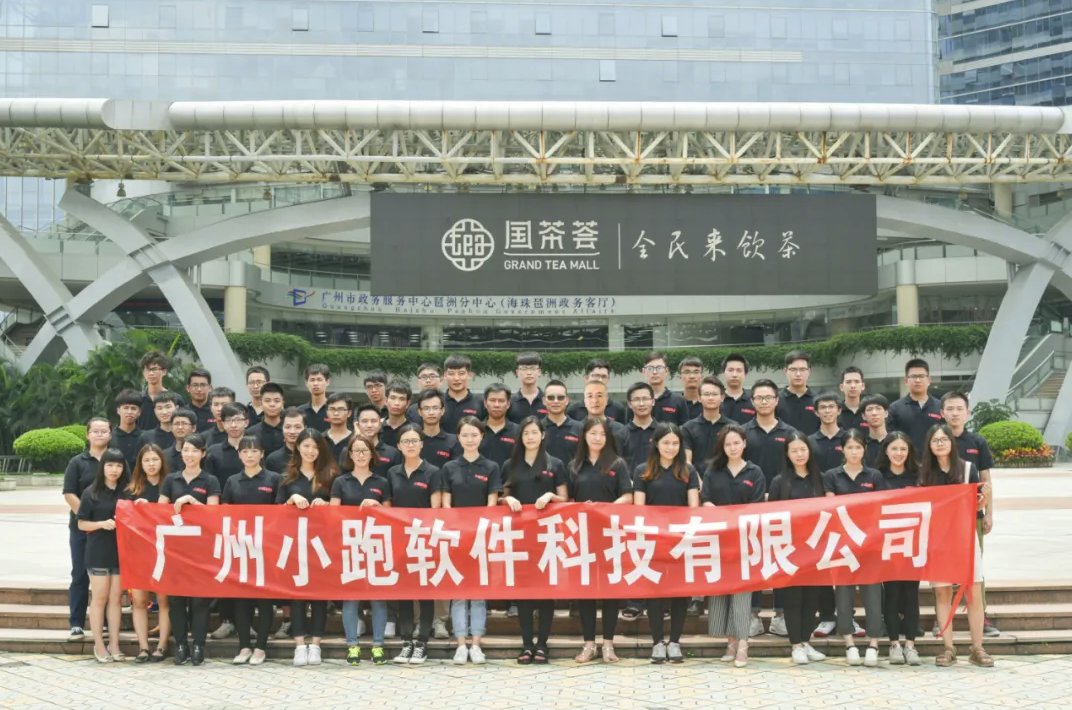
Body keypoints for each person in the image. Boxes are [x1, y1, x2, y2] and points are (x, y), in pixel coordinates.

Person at [920, 423, 994, 668]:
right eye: (935, 440)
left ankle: (977, 648)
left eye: (944, 439)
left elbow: (973, 506)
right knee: (943, 593)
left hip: (965, 537)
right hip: (937, 540)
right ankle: (948, 648)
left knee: (974, 592)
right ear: (929, 446)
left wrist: (984, 502)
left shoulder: (968, 469)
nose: (940, 443)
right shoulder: (923, 474)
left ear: (952, 443)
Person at [499, 417, 568, 664]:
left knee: (546, 592)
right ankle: (527, 644)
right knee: (524, 592)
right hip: (519, 536)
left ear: (543, 435)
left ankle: (542, 645)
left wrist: (550, 495)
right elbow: (500, 497)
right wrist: (507, 499)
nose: (530, 437)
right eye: (525, 433)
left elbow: (565, 498)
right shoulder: (510, 464)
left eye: (534, 432)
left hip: (547, 535)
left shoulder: (555, 463)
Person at [633, 423, 699, 663]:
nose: (670, 447)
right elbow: (639, 508)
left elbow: (694, 507)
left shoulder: (689, 470)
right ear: (656, 444)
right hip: (654, 540)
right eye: (666, 443)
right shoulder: (643, 470)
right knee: (656, 594)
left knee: (681, 593)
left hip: (681, 541)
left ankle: (675, 642)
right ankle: (657, 642)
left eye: (675, 443)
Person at [702, 423, 765, 667]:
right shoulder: (713, 471)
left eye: (737, 443)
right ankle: (730, 642)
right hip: (718, 539)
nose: (733, 447)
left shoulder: (754, 472)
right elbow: (705, 500)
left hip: (745, 540)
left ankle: (743, 644)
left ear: (744, 444)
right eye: (728, 444)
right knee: (721, 591)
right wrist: (718, 514)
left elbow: (757, 506)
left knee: (741, 593)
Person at [569, 417, 632, 663]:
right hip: (583, 536)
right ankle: (588, 644)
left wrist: (605, 509)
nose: (597, 438)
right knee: (585, 591)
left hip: (610, 535)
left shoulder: (617, 463)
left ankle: (608, 644)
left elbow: (627, 496)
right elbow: (568, 501)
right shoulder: (575, 465)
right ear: (584, 436)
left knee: (610, 591)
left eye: (602, 434)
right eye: (593, 433)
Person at [822, 429, 886, 667]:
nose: (854, 451)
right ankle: (849, 643)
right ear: (842, 449)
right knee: (843, 594)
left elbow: (879, 508)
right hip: (842, 545)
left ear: (865, 450)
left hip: (870, 543)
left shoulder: (875, 475)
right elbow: (832, 508)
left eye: (858, 447)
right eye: (850, 447)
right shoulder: (832, 475)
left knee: (873, 595)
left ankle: (873, 644)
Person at [441, 416, 501, 665]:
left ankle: (476, 644)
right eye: (465, 435)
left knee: (477, 593)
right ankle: (460, 644)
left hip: (480, 537)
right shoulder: (449, 467)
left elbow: (492, 503)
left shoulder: (491, 467)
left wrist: (478, 530)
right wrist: (457, 528)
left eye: (474, 435)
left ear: (481, 437)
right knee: (458, 593)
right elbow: (445, 502)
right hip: (456, 537)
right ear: (458, 437)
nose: (469, 439)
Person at [941, 391, 1000, 637]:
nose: (954, 413)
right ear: (942, 412)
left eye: (959, 409)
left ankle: (980, 615)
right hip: (943, 520)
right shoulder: (937, 440)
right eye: (950, 409)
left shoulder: (977, 441)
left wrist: (988, 513)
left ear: (968, 412)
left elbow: (986, 480)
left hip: (972, 516)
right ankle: (944, 617)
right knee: (944, 567)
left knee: (975, 567)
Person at [276, 428, 337, 666]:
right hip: (295, 545)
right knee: (297, 596)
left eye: (315, 447)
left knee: (320, 596)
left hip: (322, 546)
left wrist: (328, 504)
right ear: (298, 447)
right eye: (306, 446)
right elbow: (275, 512)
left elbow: (340, 509)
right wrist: (291, 500)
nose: (310, 451)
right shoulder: (286, 477)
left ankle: (316, 644)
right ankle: (300, 645)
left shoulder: (330, 475)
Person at [159, 433, 221, 666]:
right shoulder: (171, 480)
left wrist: (195, 503)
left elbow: (214, 514)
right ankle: (181, 644)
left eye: (195, 450)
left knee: (199, 601)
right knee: (175, 600)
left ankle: (198, 645)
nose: (190, 454)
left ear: (203, 454)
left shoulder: (210, 481)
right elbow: (159, 512)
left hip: (201, 550)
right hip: (175, 550)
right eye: (186, 449)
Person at [768, 431, 828, 665]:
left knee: (812, 599)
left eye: (803, 449)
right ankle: (795, 645)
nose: (799, 454)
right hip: (790, 549)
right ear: (787, 454)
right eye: (794, 450)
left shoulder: (821, 479)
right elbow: (772, 516)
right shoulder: (779, 482)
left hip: (816, 548)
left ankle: (805, 641)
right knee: (793, 599)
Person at [332, 434, 392, 666]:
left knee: (378, 599)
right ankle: (352, 646)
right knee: (351, 599)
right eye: (356, 451)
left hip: (376, 545)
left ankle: (378, 646)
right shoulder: (341, 482)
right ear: (349, 455)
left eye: (364, 450)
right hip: (350, 545)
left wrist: (376, 506)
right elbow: (333, 514)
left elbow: (391, 514)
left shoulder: (381, 482)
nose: (360, 455)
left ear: (371, 454)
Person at [221, 436, 280, 666]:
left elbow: (280, 512)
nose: (250, 455)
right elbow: (224, 512)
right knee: (241, 600)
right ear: (239, 454)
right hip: (240, 548)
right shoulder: (232, 481)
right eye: (245, 451)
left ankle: (261, 647)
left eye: (255, 451)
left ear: (262, 454)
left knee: (264, 600)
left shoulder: (273, 479)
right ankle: (244, 645)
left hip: (266, 548)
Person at [742, 379, 795, 637]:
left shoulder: (790, 433)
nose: (764, 402)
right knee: (753, 559)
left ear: (776, 400)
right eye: (759, 398)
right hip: (750, 504)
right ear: (752, 402)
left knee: (780, 558)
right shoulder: (742, 432)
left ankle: (780, 615)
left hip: (781, 505)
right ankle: (752, 616)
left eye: (768, 397)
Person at [388, 424, 443, 664]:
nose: (410, 445)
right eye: (405, 441)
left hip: (424, 540)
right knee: (404, 593)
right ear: (399, 446)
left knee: (424, 593)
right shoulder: (392, 472)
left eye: (414, 441)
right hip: (400, 540)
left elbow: (436, 509)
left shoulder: (433, 472)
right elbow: (389, 507)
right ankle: (406, 641)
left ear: (421, 444)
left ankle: (422, 643)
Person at [77, 448, 131, 663]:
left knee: (116, 599)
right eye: (110, 465)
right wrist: (101, 524)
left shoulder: (127, 492)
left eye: (118, 465)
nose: (114, 470)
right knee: (99, 598)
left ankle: (114, 643)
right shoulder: (91, 492)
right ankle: (98, 644)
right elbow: (81, 524)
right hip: (98, 551)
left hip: (121, 552)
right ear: (102, 467)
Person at [62, 416, 112, 643]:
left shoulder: (116, 459)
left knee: (107, 576)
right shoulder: (77, 462)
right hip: (81, 529)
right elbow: (69, 493)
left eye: (104, 431)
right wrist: (86, 517)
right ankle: (76, 623)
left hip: (109, 529)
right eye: (95, 431)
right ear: (87, 434)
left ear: (110, 434)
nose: (100, 434)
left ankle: (106, 621)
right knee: (80, 574)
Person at [875, 432, 922, 666]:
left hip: (914, 543)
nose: (899, 453)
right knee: (891, 594)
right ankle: (894, 644)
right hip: (887, 544)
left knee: (912, 594)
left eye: (903, 449)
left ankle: (910, 645)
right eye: (894, 448)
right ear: (886, 450)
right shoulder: (877, 477)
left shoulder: (919, 475)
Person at [127, 444, 170, 663]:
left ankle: (162, 645)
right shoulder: (131, 489)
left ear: (162, 461)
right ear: (140, 464)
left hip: (164, 552)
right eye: (146, 460)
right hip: (138, 552)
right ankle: (143, 647)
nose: (151, 464)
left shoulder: (170, 485)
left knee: (164, 601)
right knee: (139, 601)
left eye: (155, 459)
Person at [887, 358, 944, 454]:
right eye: (913, 376)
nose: (917, 380)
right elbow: (890, 439)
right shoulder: (895, 408)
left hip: (935, 460)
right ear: (906, 381)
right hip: (906, 460)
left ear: (929, 380)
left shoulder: (941, 407)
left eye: (921, 376)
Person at [682, 375, 732, 468]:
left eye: (714, 394)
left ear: (722, 397)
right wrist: (696, 477)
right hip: (696, 477)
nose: (710, 398)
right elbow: (687, 461)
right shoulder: (688, 428)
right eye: (706, 394)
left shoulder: (732, 427)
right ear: (699, 398)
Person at [136, 350, 185, 430]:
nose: (151, 373)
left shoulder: (176, 398)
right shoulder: (137, 399)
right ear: (143, 373)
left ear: (164, 371)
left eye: (154, 369)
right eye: (148, 369)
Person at [416, 389, 462, 469]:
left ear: (442, 411)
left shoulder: (454, 441)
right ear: (420, 412)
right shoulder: (414, 441)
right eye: (426, 408)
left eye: (435, 408)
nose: (431, 413)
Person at [776, 350, 819, 436]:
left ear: (809, 372)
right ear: (785, 371)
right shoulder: (776, 400)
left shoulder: (818, 400)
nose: (798, 374)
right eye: (793, 369)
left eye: (802, 369)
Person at [641, 352, 689, 425]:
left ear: (666, 371)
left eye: (659, 368)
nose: (655, 372)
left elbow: (684, 428)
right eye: (650, 368)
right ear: (644, 371)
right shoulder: (637, 400)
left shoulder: (678, 400)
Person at [541, 379, 581, 465]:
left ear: (567, 400)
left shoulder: (580, 428)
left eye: (560, 397)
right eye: (551, 397)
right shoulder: (537, 428)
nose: (556, 401)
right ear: (544, 401)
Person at [581, 379, 629, 452]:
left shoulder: (620, 430)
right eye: (590, 396)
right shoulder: (577, 429)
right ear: (584, 401)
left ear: (607, 399)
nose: (595, 400)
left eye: (599, 396)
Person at [442, 354, 486, 433]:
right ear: (445, 375)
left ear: (469, 375)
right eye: (451, 374)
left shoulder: (481, 402)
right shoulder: (438, 402)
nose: (456, 378)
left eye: (461, 373)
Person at [479, 383, 519, 467]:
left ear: (508, 404)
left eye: (501, 401)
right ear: (485, 403)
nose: (496, 405)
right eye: (492, 400)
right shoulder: (476, 430)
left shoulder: (518, 431)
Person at [807, 392, 845, 472]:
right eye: (823, 407)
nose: (827, 411)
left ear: (839, 411)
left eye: (831, 407)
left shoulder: (848, 439)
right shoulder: (809, 441)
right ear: (816, 412)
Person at [623, 382, 657, 471]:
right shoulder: (621, 434)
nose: (641, 404)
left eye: (645, 399)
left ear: (653, 401)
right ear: (629, 404)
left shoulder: (663, 432)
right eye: (636, 399)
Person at [245, 382, 285, 455]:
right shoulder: (251, 433)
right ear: (261, 403)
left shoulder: (290, 431)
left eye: (276, 401)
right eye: (267, 401)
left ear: (282, 403)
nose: (272, 404)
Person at [508, 351, 548, 423]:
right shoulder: (510, 402)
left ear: (539, 372)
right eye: (524, 369)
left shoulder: (549, 400)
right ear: (517, 372)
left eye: (533, 368)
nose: (529, 373)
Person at [110, 389, 143, 471]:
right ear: (118, 410)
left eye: (133, 408)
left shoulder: (145, 437)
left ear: (139, 412)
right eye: (126, 408)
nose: (129, 412)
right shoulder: (109, 437)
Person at [266, 407, 306, 474]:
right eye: (288, 427)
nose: (292, 431)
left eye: (297, 427)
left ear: (305, 428)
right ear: (282, 428)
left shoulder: (312, 456)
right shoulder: (273, 460)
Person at [720, 354, 755, 425]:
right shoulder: (716, 400)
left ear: (745, 374)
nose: (734, 375)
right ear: (723, 373)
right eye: (730, 370)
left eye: (739, 370)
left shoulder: (753, 402)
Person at [299, 363, 332, 432]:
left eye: (319, 379)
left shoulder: (334, 410)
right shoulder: (300, 411)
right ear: (306, 383)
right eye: (312, 380)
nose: (315, 383)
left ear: (327, 382)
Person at [323, 393, 354, 463]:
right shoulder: (320, 439)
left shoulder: (356, 439)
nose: (336, 413)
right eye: (332, 409)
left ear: (349, 413)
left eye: (341, 409)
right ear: (327, 412)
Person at [381, 380, 412, 448]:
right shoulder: (377, 428)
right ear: (386, 401)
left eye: (401, 399)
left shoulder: (414, 430)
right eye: (393, 398)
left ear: (407, 404)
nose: (396, 403)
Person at [861, 394, 890, 468]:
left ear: (886, 413)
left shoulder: (895, 442)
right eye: (869, 409)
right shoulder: (861, 445)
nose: (874, 413)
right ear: (863, 416)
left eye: (878, 408)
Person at [165, 409, 197, 474]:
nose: (180, 427)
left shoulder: (201, 454)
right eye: (176, 424)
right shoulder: (164, 456)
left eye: (184, 423)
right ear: (171, 428)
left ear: (193, 428)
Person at [838, 367, 867, 432]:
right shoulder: (835, 412)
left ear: (863, 386)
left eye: (857, 381)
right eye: (848, 382)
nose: (853, 386)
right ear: (841, 387)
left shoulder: (869, 411)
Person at [678, 356, 705, 421]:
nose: (692, 376)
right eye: (687, 372)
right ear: (680, 377)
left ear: (702, 377)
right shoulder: (675, 404)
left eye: (696, 372)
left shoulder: (709, 403)